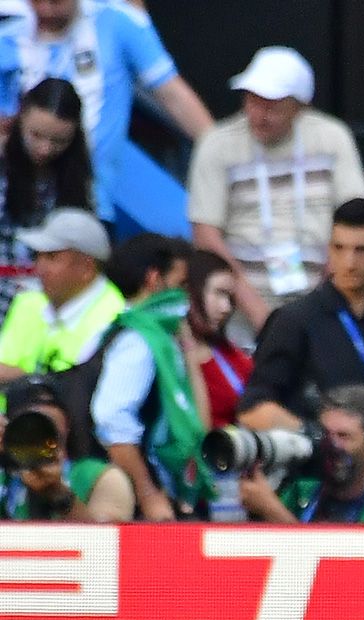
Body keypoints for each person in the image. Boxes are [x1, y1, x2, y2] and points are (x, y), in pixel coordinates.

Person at [189, 46, 364, 341]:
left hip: (323, 303)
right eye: (251, 100)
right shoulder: (217, 144)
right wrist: (258, 312)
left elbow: (356, 217)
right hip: (240, 313)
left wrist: (325, 298)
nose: (258, 114)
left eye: (271, 105)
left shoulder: (332, 137)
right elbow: (206, 235)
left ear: (300, 106)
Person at [0, 0, 213, 221]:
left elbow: (173, 95)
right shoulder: (9, 35)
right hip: (13, 206)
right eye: (35, 0)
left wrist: (223, 152)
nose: (45, 9)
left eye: (56, 1)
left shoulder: (117, 23)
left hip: (89, 208)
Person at [237, 197, 364, 435]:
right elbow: (252, 410)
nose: (349, 262)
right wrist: (322, 438)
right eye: (339, 248)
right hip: (310, 468)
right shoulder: (294, 321)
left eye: (361, 250)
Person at [90, 233, 211, 521]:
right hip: (143, 507)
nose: (185, 297)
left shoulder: (157, 339)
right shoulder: (138, 341)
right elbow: (111, 417)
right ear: (155, 279)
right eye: (180, 284)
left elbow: (198, 425)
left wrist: (187, 348)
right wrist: (148, 494)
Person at [238, 384, 364, 524]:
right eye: (326, 434)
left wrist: (274, 513)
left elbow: (340, 566)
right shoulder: (300, 494)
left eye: (344, 436)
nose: (333, 445)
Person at [0, 77, 91, 315]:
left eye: (59, 141)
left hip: (41, 304)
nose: (45, 149)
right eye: (36, 135)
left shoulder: (74, 178)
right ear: (20, 117)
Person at [0, 207, 121, 384]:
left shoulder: (113, 319)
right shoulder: (29, 300)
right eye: (37, 256)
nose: (39, 268)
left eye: (52, 257)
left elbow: (76, 393)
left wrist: (27, 379)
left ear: (86, 268)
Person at [0, 377, 133, 521]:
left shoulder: (98, 476)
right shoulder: (5, 478)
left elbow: (108, 539)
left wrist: (58, 493)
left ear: (67, 423)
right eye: (29, 422)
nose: (39, 429)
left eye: (46, 423)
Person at [184, 249, 251, 430]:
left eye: (230, 298)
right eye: (219, 293)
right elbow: (198, 432)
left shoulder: (234, 358)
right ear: (189, 290)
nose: (226, 307)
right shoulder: (165, 354)